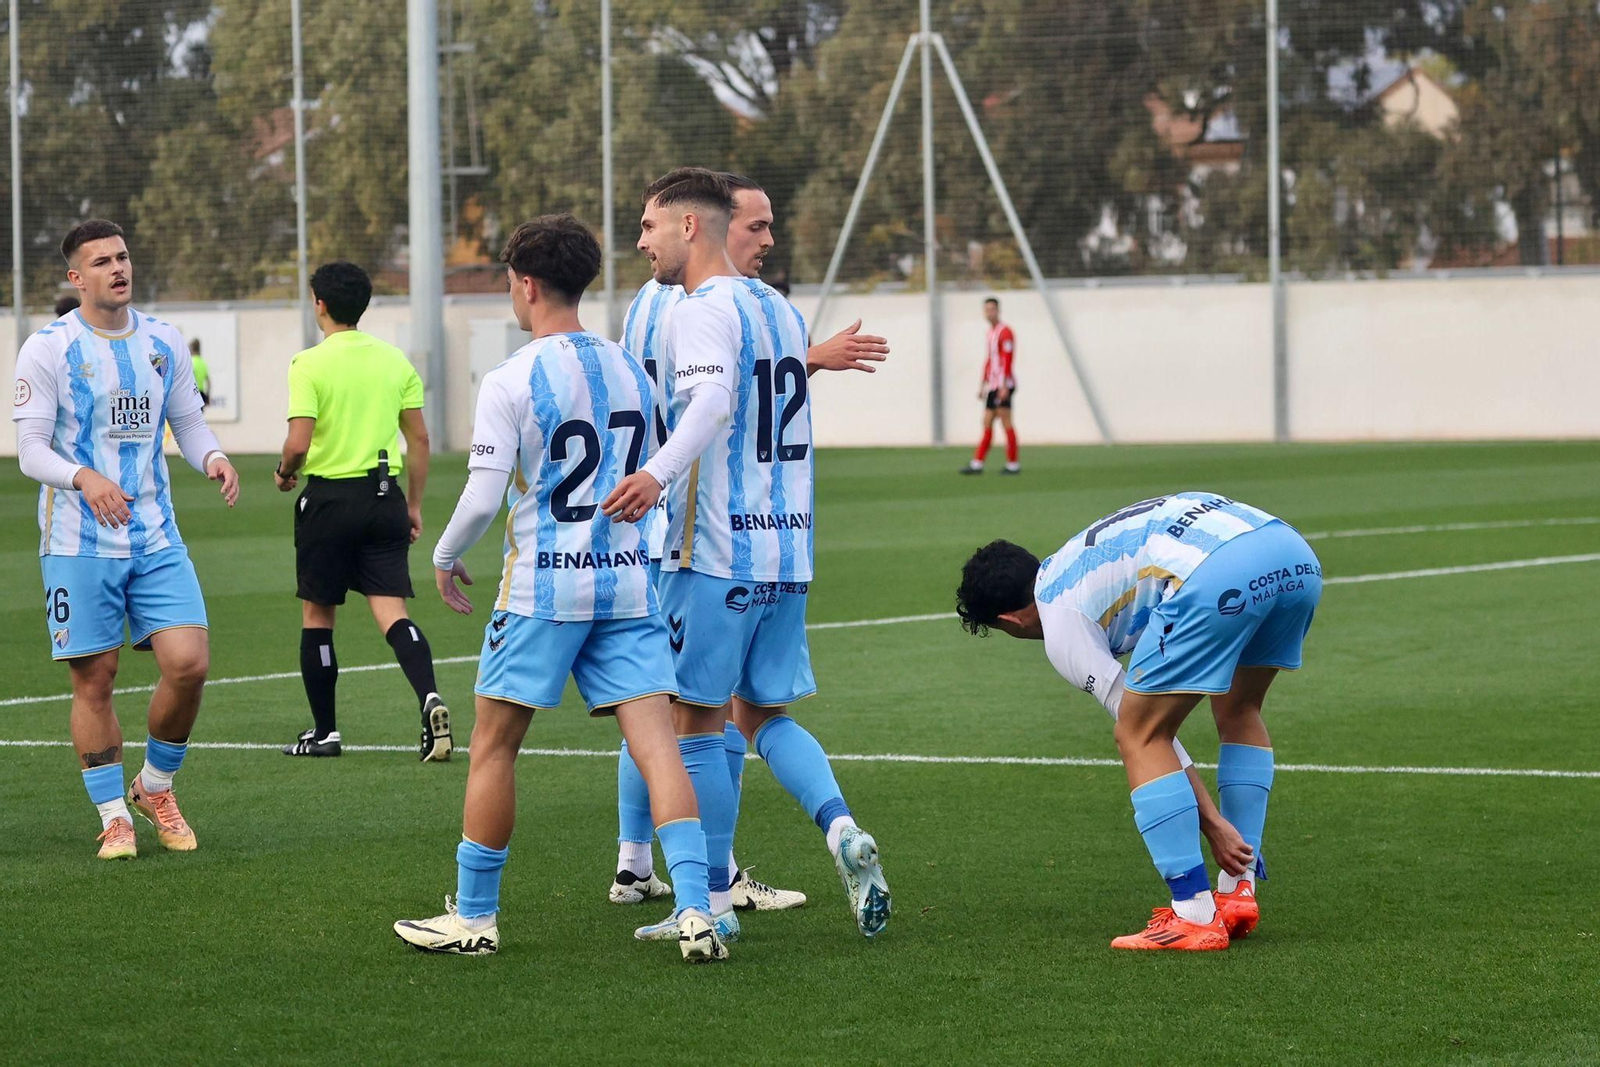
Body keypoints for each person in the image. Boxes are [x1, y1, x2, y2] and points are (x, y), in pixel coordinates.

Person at [393, 214, 725, 962]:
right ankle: (699, 910)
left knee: (493, 746)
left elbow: (482, 496)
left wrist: (444, 555)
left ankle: (474, 917)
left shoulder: (512, 378)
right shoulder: (631, 370)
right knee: (658, 747)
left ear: (527, 283)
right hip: (627, 587)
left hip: (543, 590)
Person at [604, 167, 891, 941]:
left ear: (691, 226)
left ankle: (708, 902)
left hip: (709, 545)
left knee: (684, 718)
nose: (643, 242)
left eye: (650, 227)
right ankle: (838, 828)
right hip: (787, 544)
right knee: (763, 713)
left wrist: (651, 475)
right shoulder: (780, 309)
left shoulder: (692, 309)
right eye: (758, 225)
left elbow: (706, 403)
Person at [954, 493, 1322, 950]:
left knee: (1138, 732)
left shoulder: (1060, 620)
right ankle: (1238, 892)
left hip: (1217, 572)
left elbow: (1150, 734)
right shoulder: (1069, 562)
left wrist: (1212, 824)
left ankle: (1193, 915)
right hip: (1290, 553)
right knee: (1240, 709)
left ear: (1008, 619)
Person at [11, 219, 239, 860]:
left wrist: (214, 457)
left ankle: (155, 787)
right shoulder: (48, 348)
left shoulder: (163, 341)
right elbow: (29, 450)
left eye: (123, 256)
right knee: (97, 679)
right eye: (102, 261)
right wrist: (83, 477)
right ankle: (114, 815)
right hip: (78, 540)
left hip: (155, 536)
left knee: (189, 664)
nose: (118, 268)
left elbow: (188, 421)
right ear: (75, 277)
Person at [273, 261, 447, 761]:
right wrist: (411, 505)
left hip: (329, 500)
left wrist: (286, 472)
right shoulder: (395, 361)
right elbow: (420, 439)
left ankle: (325, 733)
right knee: (393, 612)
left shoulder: (308, 363)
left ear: (319, 304)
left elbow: (298, 442)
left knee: (318, 616)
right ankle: (430, 697)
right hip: (383, 496)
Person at [963, 297, 1019, 475]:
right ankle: (977, 463)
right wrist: (983, 384)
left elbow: (1007, 360)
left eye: (992, 309)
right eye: (986, 310)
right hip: (993, 385)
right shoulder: (990, 333)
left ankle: (1013, 464)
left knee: (1005, 421)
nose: (989, 313)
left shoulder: (1005, 332)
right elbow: (989, 360)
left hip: (1003, 385)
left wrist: (1003, 386)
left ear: (998, 310)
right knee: (986, 421)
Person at [189, 338, 210, 407]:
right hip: (202, 394)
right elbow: (208, 381)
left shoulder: (191, 362)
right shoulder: (203, 362)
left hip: (193, 394)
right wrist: (207, 396)